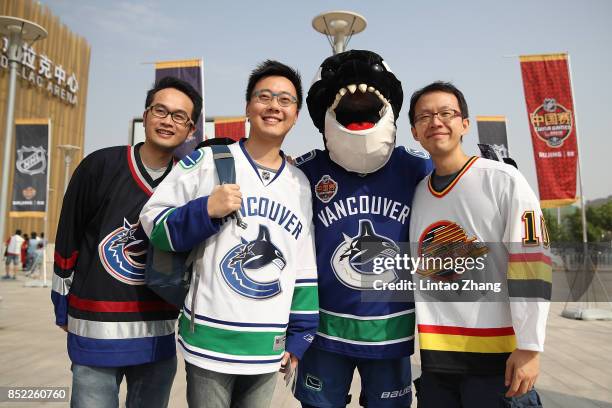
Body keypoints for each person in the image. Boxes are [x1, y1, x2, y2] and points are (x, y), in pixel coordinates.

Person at [141, 60, 319, 408]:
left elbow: (302, 263)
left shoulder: (299, 182)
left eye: (285, 100)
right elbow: (153, 222)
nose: (273, 106)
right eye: (264, 96)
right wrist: (204, 210)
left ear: (296, 114)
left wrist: (300, 337)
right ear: (248, 107)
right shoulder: (209, 160)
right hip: (209, 340)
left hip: (267, 346)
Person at [51, 76, 202, 408]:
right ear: (146, 115)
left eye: (179, 116)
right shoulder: (100, 166)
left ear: (191, 130)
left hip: (157, 334)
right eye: (160, 110)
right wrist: (61, 304)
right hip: (96, 330)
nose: (167, 120)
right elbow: (68, 237)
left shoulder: (190, 183)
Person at [293, 50, 432, 408]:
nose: (356, 110)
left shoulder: (418, 168)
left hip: (390, 327)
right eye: (346, 106)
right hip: (324, 330)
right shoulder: (305, 172)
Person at [408, 81, 550, 407]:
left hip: (498, 361)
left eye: (446, 113)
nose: (436, 122)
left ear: (465, 124)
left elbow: (532, 261)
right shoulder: (416, 194)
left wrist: (530, 346)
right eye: (425, 116)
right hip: (437, 363)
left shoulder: (503, 180)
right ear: (415, 131)